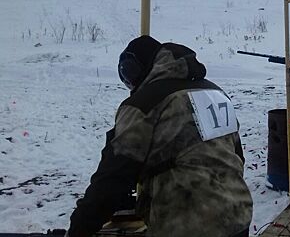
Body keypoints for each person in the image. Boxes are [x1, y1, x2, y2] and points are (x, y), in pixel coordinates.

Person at [67, 36, 252, 237]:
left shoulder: (144, 103)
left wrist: (79, 228)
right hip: (236, 216)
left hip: (188, 226)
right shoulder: (215, 93)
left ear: (135, 69)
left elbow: (113, 177)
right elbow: (236, 157)